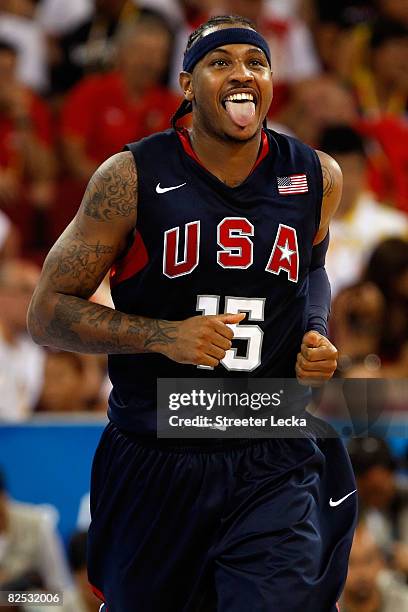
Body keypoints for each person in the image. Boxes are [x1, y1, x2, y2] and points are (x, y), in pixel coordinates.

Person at [27, 14, 357, 611]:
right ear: (186, 83)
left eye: (256, 63)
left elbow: (312, 271)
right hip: (158, 449)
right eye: (221, 62)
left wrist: (313, 332)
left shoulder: (315, 176)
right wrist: (163, 337)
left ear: (272, 82)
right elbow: (48, 313)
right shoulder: (130, 177)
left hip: (269, 445)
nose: (242, 74)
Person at [340, 519, 408, 611]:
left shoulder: (402, 603)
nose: (361, 572)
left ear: (381, 562)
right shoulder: (326, 605)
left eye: (368, 561)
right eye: (350, 562)